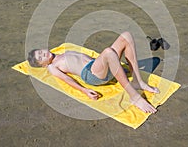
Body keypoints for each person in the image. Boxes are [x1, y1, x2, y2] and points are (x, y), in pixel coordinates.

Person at [27, 32, 160, 113]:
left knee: (126, 36)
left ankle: (138, 81)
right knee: (108, 52)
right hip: (91, 75)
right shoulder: (52, 67)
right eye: (40, 58)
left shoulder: (61, 53)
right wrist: (84, 90)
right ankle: (133, 96)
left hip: (99, 65)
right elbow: (67, 80)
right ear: (43, 65)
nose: (43, 54)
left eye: (40, 52)